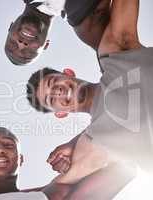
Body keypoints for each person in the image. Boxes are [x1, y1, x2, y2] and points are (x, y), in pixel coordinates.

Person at [26, 0, 153, 177]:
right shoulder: (92, 143)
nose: (56, 91)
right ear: (61, 113)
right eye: (51, 99)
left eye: (53, 82)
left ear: (68, 73)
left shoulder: (115, 54)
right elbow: (57, 192)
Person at [0, 127, 134, 200]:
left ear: (21, 160)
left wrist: (74, 144)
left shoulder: (53, 194)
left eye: (9, 146)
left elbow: (125, 167)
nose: (0, 149)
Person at [5, 0, 111, 65]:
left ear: (10, 27)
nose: (22, 44)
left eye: (13, 44)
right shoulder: (85, 24)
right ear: (46, 44)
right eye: (28, 52)